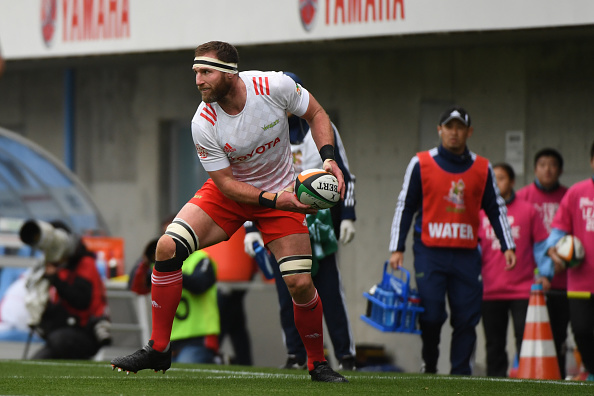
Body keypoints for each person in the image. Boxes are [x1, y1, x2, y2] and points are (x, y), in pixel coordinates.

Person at [111, 41, 348, 382]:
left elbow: (316, 114)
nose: (198, 81)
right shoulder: (202, 122)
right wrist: (274, 199)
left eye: (205, 72)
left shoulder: (273, 86)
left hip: (281, 192)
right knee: (166, 247)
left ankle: (317, 364)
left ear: (229, 73)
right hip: (231, 194)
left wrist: (328, 158)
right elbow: (225, 185)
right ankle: (159, 349)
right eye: (195, 73)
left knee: (299, 282)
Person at [388, 106, 516, 375]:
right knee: (432, 315)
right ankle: (430, 365)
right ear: (440, 130)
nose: (454, 132)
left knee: (466, 319)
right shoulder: (421, 163)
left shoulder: (483, 168)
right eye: (449, 126)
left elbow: (496, 208)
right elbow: (405, 206)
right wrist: (396, 247)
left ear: (469, 132)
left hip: (467, 255)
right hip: (429, 253)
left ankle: (460, 374)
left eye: (459, 127)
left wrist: (507, 245)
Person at [243, 72, 357, 371]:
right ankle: (295, 354)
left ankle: (345, 354)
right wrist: (250, 229)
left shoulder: (321, 127)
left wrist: (347, 215)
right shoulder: (264, 130)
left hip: (319, 223)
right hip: (278, 215)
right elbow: (250, 180)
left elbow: (345, 172)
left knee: (329, 289)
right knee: (287, 290)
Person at [478, 163, 549, 377]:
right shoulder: (480, 213)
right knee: (494, 345)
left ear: (512, 182)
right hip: (490, 290)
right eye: (492, 179)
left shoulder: (528, 211)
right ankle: (495, 386)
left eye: (500, 178)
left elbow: (542, 247)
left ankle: (526, 384)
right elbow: (475, 249)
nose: (495, 183)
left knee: (525, 342)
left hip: (523, 290)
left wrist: (545, 274)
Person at [128, 217, 220, 364]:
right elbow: (135, 287)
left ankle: (217, 360)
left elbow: (200, 284)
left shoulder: (201, 258)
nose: (170, 239)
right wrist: (145, 260)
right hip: (169, 339)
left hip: (198, 337)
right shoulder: (159, 264)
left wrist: (171, 273)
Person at [538, 140, 594, 382]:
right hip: (581, 281)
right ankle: (592, 371)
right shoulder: (577, 193)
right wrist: (553, 254)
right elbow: (558, 232)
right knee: (581, 331)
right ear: (592, 161)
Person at [19, 219, 111, 359]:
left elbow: (81, 301)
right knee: (37, 361)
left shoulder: (85, 263)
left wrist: (55, 279)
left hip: (87, 332)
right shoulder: (60, 267)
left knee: (57, 340)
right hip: (63, 332)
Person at [516, 148, 570, 378]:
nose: (547, 169)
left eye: (552, 165)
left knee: (558, 335)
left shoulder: (569, 196)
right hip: (531, 281)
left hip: (564, 279)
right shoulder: (523, 197)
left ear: (560, 169)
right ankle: (525, 378)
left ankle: (557, 379)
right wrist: (539, 271)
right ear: (535, 168)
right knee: (526, 333)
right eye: (542, 164)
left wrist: (566, 260)